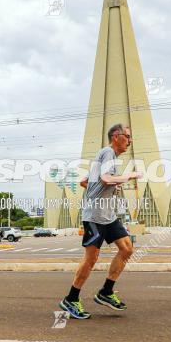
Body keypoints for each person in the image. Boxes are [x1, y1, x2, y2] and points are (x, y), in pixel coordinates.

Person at [59, 123, 142, 319]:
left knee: (127, 248)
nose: (130, 141)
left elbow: (85, 182)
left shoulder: (111, 159)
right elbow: (105, 179)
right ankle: (71, 298)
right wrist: (127, 176)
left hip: (109, 216)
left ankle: (106, 292)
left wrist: (112, 186)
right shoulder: (107, 152)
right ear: (116, 136)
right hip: (95, 217)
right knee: (91, 259)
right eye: (127, 136)